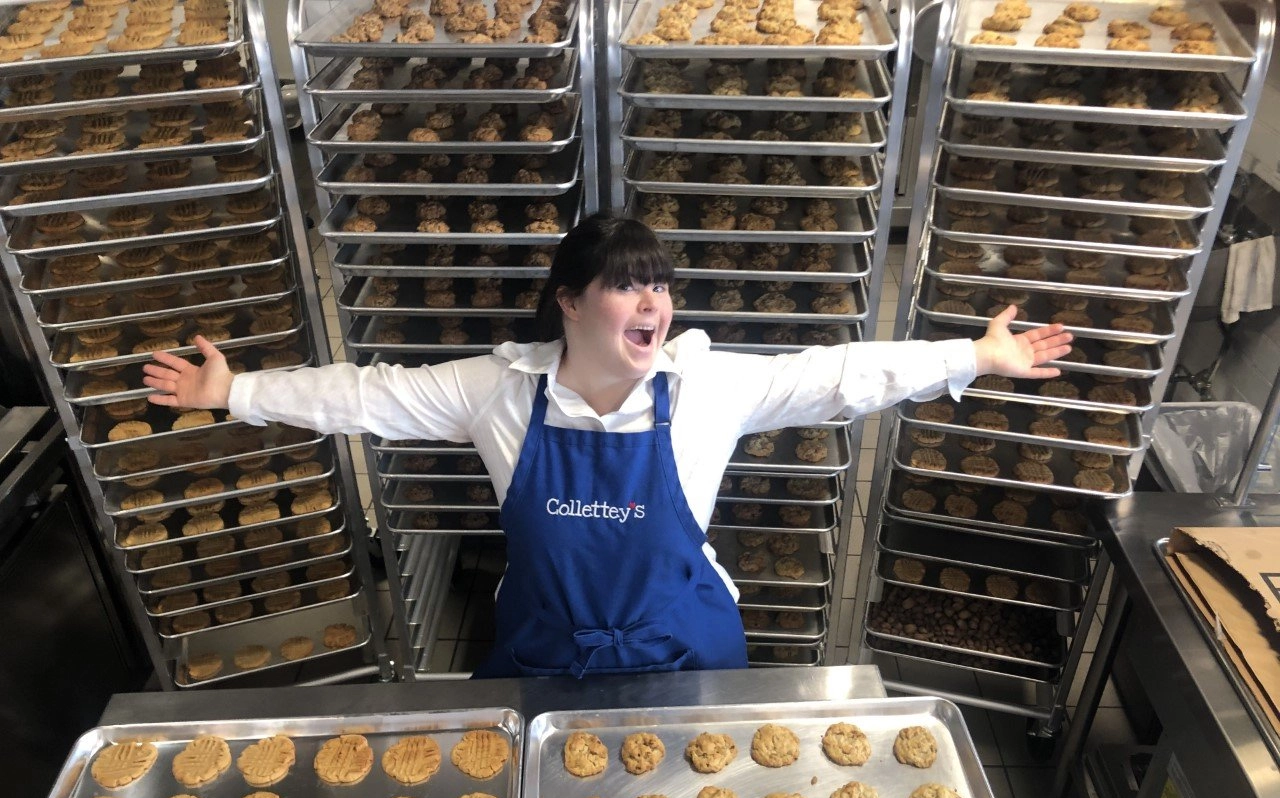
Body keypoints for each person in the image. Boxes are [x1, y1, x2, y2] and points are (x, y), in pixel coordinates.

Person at [144, 214, 1072, 678]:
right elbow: (368, 397)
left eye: (661, 287)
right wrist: (235, 391)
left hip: (682, 641)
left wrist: (973, 356)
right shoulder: (499, 391)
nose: (654, 304)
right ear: (572, 302)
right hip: (544, 646)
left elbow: (836, 375)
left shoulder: (703, 386)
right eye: (629, 287)